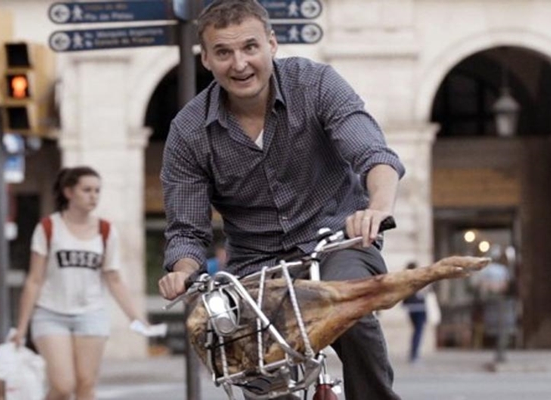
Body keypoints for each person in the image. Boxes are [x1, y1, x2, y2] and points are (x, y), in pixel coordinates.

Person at [157, 1, 405, 398]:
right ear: (206, 59)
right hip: (257, 264)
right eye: (223, 52)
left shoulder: (315, 84)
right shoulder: (189, 131)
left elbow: (374, 155)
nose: (239, 64)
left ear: (271, 44)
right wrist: (181, 271)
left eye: (250, 47)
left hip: (335, 241)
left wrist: (377, 207)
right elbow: (187, 230)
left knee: (349, 306)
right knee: (250, 359)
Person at [12, 166, 149, 400]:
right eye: (87, 190)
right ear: (69, 192)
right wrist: (21, 327)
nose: (93, 196)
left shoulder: (105, 230)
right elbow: (34, 279)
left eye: (97, 190)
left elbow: (114, 278)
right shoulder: (48, 227)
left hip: (91, 313)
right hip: (50, 313)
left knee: (86, 383)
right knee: (63, 386)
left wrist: (135, 317)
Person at [401, 262, 427, 363]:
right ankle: (414, 354)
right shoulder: (420, 278)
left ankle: (413, 352)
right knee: (418, 331)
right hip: (420, 307)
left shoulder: (405, 280)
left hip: (410, 308)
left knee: (416, 331)